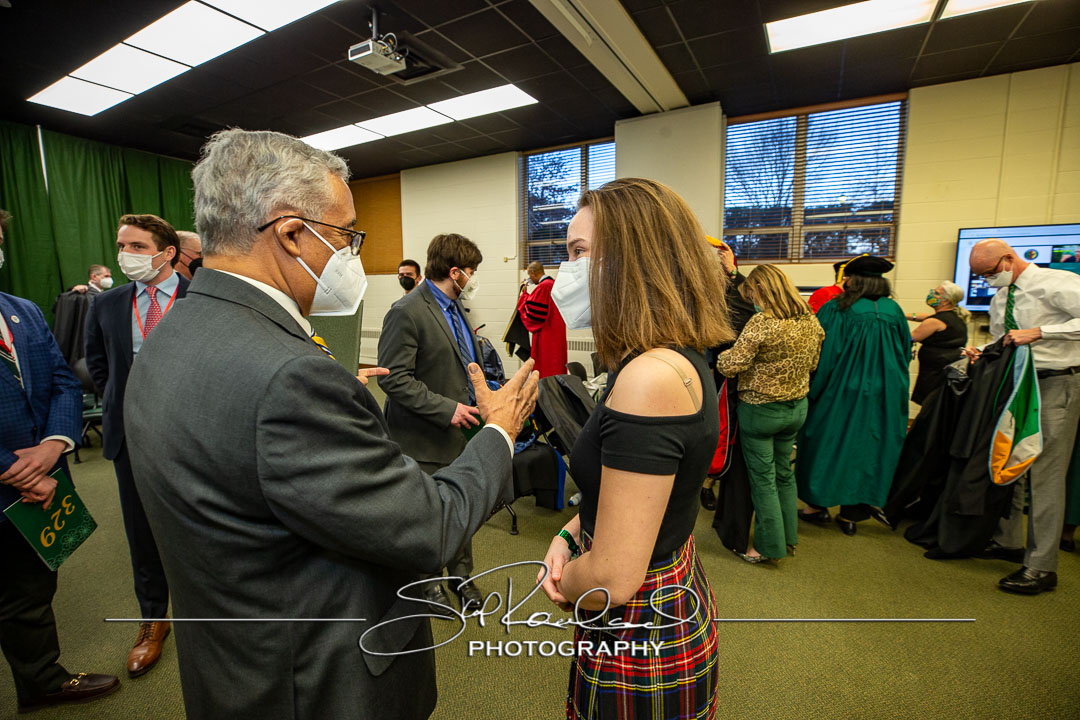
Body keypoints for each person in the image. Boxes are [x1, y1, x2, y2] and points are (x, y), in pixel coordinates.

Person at [123, 128, 538, 720]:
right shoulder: (290, 376)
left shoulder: (170, 335)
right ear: (292, 233)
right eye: (345, 235)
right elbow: (433, 527)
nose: (352, 254)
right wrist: (499, 431)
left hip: (232, 659)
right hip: (317, 681)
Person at [540, 178, 732, 720]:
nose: (566, 271)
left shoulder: (649, 378)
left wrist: (561, 579)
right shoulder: (659, 356)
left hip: (641, 622)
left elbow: (611, 578)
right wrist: (566, 534)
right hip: (650, 605)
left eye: (580, 253)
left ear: (634, 261)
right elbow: (626, 491)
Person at [0, 209, 120, 712]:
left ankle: (42, 682)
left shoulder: (21, 310)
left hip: (41, 483)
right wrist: (9, 465)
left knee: (29, 590)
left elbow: (64, 381)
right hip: (14, 476)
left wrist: (54, 445)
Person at [84, 213, 187, 677]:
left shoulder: (199, 297)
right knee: (141, 533)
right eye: (122, 245)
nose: (126, 255)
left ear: (167, 253)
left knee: (201, 525)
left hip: (195, 435)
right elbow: (98, 365)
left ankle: (210, 612)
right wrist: (120, 404)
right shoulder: (106, 305)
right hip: (132, 438)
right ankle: (152, 619)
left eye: (138, 247)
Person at [378, 234, 489, 614]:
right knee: (426, 514)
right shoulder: (406, 311)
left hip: (460, 435)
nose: (474, 280)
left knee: (460, 507)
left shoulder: (459, 308)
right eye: (471, 272)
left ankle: (462, 576)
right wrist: (448, 409)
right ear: (455, 272)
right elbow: (393, 379)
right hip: (422, 436)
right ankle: (428, 583)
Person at [962, 238, 1080, 594]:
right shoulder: (1002, 298)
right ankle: (1009, 541)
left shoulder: (1057, 283)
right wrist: (980, 351)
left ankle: (1041, 567)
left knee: (1046, 475)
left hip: (1057, 384)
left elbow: (1033, 334)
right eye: (979, 276)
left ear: (1008, 259)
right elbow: (1004, 340)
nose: (986, 281)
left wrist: (1042, 332)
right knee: (1010, 462)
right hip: (1018, 385)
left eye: (988, 273)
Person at [796, 255, 910, 535]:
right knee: (871, 447)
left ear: (851, 279)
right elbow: (905, 353)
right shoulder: (893, 310)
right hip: (886, 392)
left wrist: (812, 389)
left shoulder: (837, 308)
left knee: (827, 442)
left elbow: (821, 354)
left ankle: (816, 507)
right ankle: (851, 514)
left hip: (842, 391)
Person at [718, 265, 824, 562]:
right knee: (784, 476)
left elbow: (731, 365)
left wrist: (723, 355)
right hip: (796, 408)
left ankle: (767, 547)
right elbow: (814, 363)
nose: (750, 300)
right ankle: (789, 537)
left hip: (761, 411)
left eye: (750, 294)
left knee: (762, 481)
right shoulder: (810, 320)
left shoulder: (762, 323)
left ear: (760, 291)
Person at [702, 237, 755, 514]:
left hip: (731, 372)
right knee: (715, 428)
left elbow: (744, 318)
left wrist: (733, 273)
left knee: (727, 429)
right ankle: (707, 481)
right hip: (707, 368)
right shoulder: (702, 288)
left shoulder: (739, 289)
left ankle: (712, 479)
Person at [907, 280, 969, 404]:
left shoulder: (934, 322)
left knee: (929, 405)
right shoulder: (955, 317)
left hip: (934, 373)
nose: (931, 295)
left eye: (936, 293)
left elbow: (910, 337)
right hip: (946, 371)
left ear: (946, 300)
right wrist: (904, 315)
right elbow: (925, 316)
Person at [517, 259, 567, 378]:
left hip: (546, 334)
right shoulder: (553, 283)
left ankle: (543, 392)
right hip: (557, 332)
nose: (530, 278)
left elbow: (533, 313)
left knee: (545, 366)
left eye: (529, 275)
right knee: (557, 365)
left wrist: (523, 296)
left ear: (534, 273)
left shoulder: (544, 286)